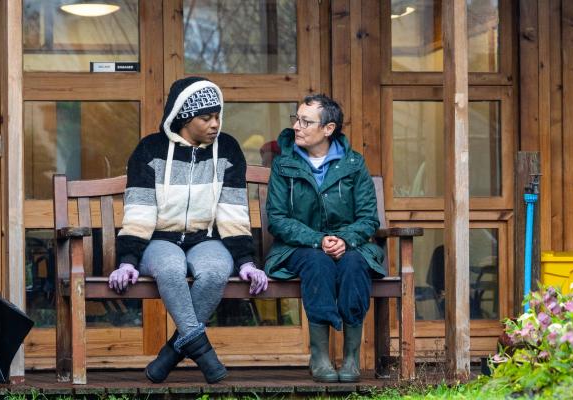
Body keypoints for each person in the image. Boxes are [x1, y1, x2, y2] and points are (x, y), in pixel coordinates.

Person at [107, 76, 269, 384]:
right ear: (184, 118)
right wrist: (128, 260)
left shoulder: (228, 149)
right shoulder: (150, 149)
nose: (215, 124)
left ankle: (173, 351)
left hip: (205, 237)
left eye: (218, 116)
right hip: (159, 239)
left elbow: (232, 210)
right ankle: (203, 352)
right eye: (205, 117)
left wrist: (246, 262)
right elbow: (140, 209)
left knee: (216, 270)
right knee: (170, 268)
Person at [263, 94, 382, 383]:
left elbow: (369, 218)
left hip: (350, 246)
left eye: (306, 121)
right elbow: (277, 219)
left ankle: (351, 357)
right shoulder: (285, 164)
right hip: (298, 248)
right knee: (319, 262)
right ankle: (319, 356)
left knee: (355, 265)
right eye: (296, 118)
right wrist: (320, 240)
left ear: (328, 129)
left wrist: (343, 239)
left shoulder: (353, 164)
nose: (296, 126)